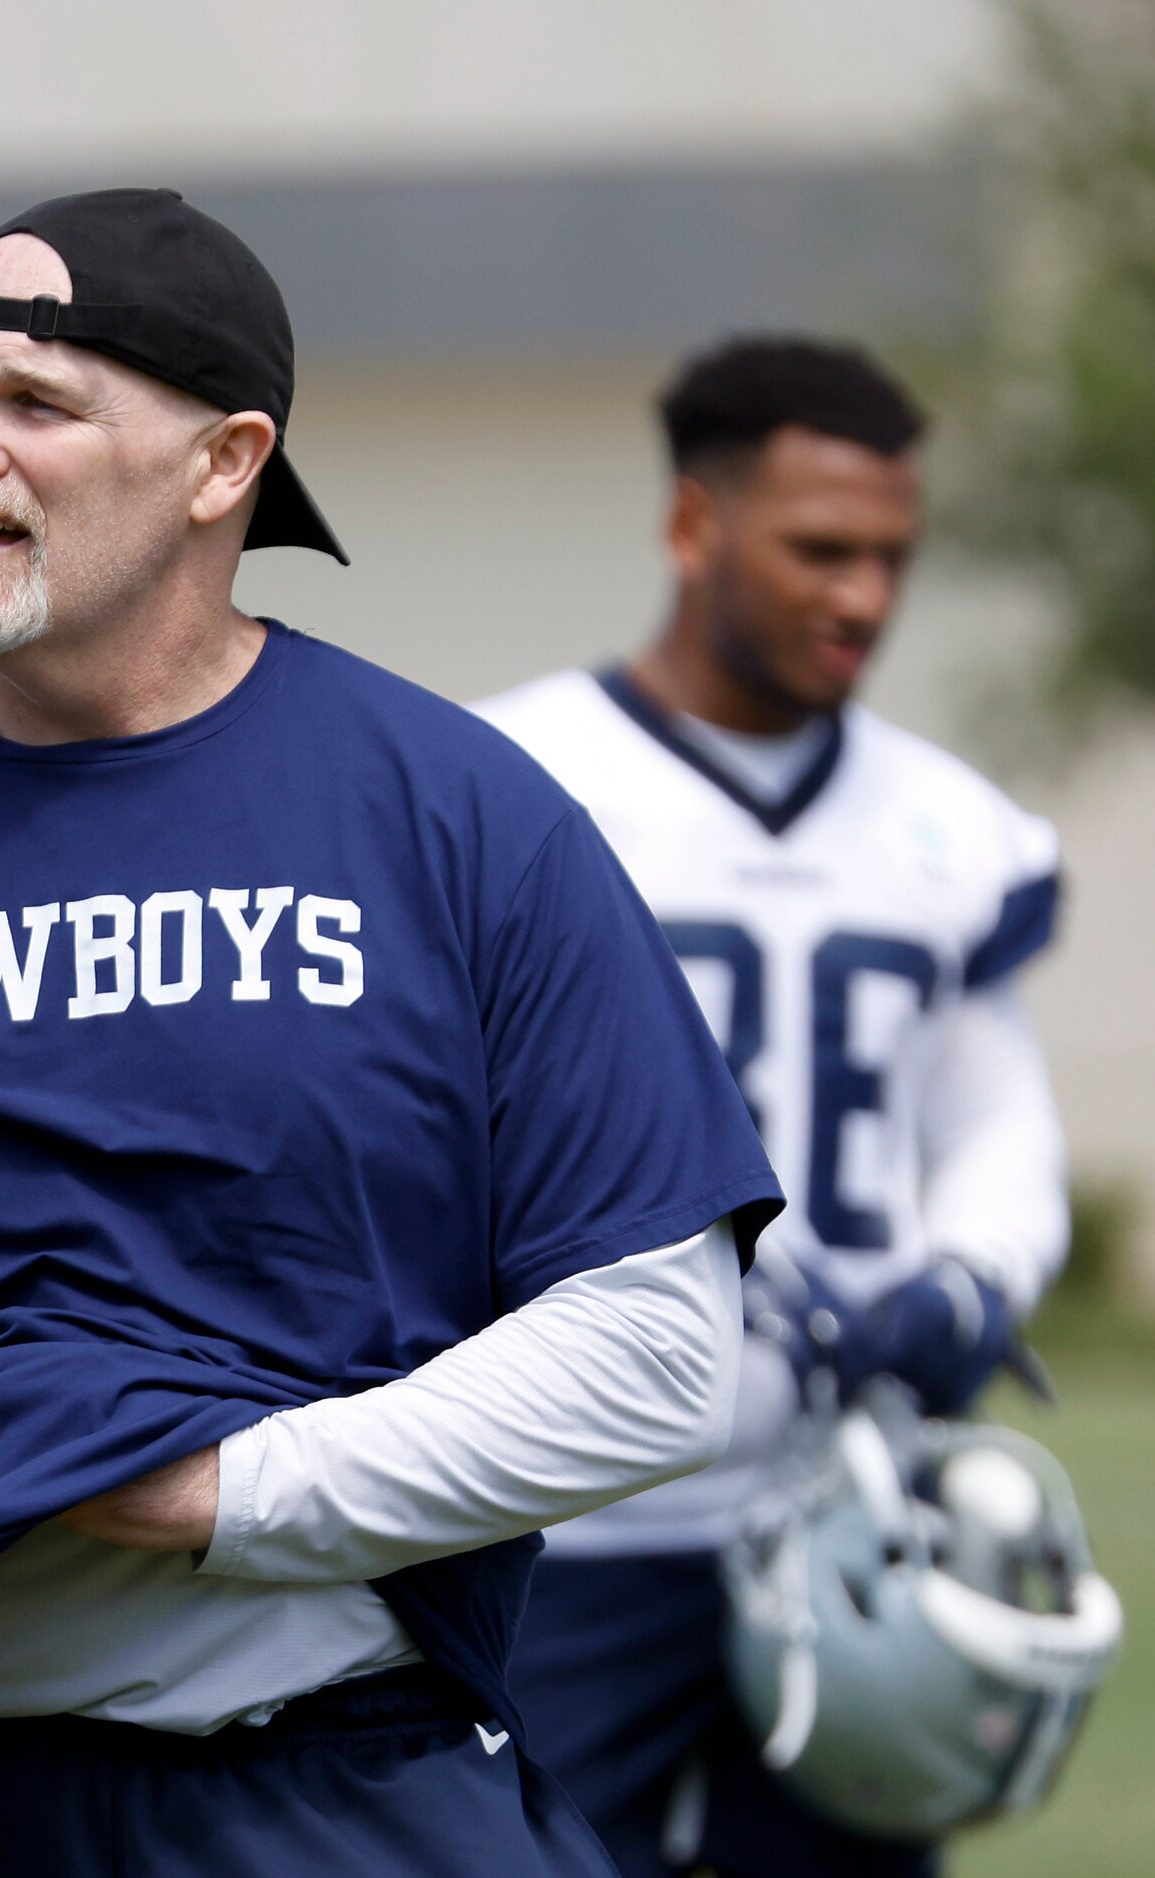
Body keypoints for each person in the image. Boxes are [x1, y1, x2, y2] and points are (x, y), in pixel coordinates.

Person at [0, 187, 787, 1876]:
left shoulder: (461, 822)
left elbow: (661, 1345)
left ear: (225, 462)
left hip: (326, 1797)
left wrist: (221, 1491)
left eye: (34, 404)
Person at [480, 336, 1069, 1878]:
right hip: (573, 1518)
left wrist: (971, 1277)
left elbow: (991, 1118)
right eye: (821, 550)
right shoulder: (514, 778)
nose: (863, 597)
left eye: (890, 558)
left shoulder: (945, 825)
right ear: (692, 527)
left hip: (843, 1513)